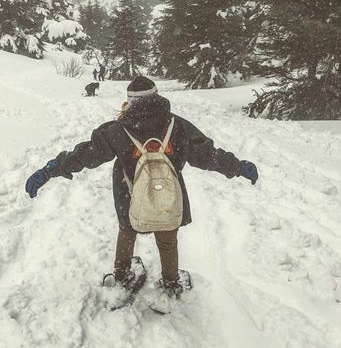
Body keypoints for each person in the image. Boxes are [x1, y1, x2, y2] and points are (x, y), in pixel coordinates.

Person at [25, 76, 258, 296]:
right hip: (167, 196)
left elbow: (86, 155)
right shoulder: (177, 126)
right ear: (157, 97)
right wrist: (238, 167)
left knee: (127, 231)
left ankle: (123, 275)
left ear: (131, 102)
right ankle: (170, 282)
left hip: (129, 194)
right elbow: (208, 155)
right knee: (167, 239)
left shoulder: (117, 130)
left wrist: (51, 169)